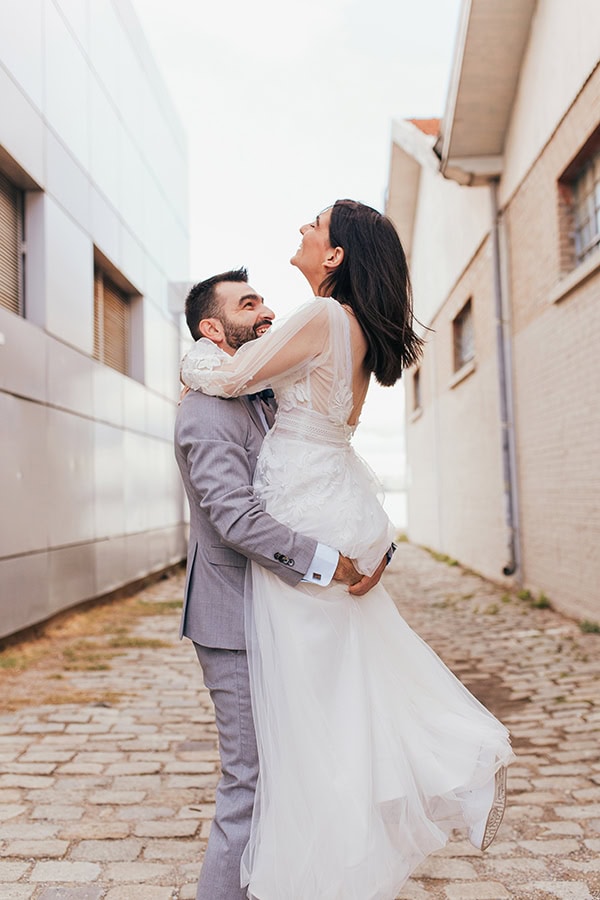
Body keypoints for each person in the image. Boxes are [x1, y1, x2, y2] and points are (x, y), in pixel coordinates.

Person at [181, 200, 515, 900]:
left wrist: (196, 359)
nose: (302, 231)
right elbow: (250, 504)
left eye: (315, 225)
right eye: (248, 303)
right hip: (287, 556)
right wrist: (357, 541)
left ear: (335, 256)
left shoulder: (319, 323)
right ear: (214, 325)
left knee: (312, 750)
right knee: (304, 751)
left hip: (305, 544)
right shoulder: (337, 336)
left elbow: (237, 383)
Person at [174, 267, 386, 900]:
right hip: (234, 620)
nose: (266, 311)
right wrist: (328, 563)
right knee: (250, 783)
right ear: (212, 329)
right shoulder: (206, 410)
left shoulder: (267, 394)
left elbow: (319, 478)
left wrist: (372, 544)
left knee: (295, 775)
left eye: (264, 299)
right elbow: (235, 517)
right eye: (248, 304)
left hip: (292, 619)